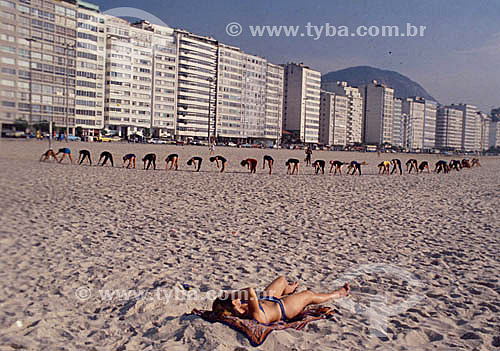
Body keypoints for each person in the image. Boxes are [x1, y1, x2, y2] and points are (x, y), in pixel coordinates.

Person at [211, 276, 350, 324]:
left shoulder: (241, 308)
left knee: (282, 280)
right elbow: (250, 291)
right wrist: (232, 295)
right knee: (308, 295)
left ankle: (288, 289)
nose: (238, 299)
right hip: (283, 308)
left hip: (267, 299)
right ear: (232, 303)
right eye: (234, 299)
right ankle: (337, 294)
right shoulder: (253, 315)